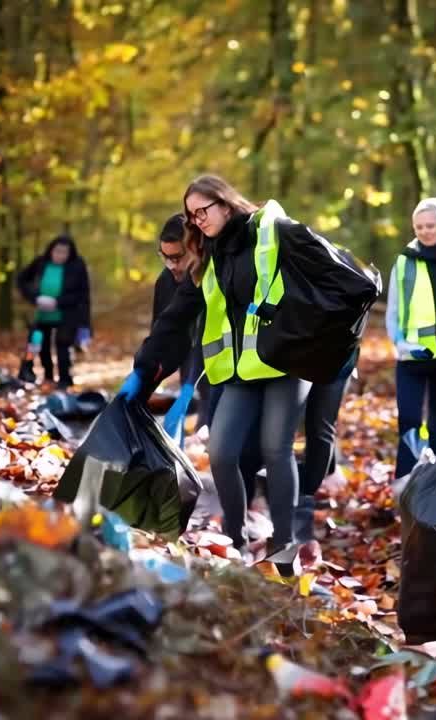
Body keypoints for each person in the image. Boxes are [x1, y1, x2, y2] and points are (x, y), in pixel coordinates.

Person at [115, 174, 313, 567]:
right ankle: (236, 542)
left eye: (202, 211)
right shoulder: (207, 258)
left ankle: (285, 543)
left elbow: (315, 284)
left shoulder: (272, 233)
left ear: (225, 204)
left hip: (286, 363)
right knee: (221, 452)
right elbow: (174, 320)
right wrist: (142, 371)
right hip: (241, 370)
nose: (197, 220)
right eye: (191, 216)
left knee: (276, 449)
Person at [385, 197, 436, 478]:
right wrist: (400, 344)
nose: (424, 231)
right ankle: (409, 486)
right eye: (419, 227)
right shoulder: (404, 261)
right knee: (410, 422)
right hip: (414, 357)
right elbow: (394, 310)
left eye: (430, 225)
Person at [152, 214, 210, 445]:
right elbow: (160, 332)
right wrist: (147, 373)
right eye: (165, 257)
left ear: (194, 249)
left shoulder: (212, 278)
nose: (171, 265)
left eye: (177, 257)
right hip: (189, 364)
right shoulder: (165, 282)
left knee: (209, 432)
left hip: (219, 367)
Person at [16, 234, 90, 388]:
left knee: (63, 347)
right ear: (51, 250)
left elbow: (82, 294)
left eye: (64, 252)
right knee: (36, 344)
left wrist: (58, 302)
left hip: (67, 313)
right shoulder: (40, 263)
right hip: (41, 314)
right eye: (57, 251)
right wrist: (35, 298)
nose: (60, 255)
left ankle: (64, 380)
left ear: (70, 253)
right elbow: (22, 281)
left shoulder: (77, 266)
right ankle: (45, 376)